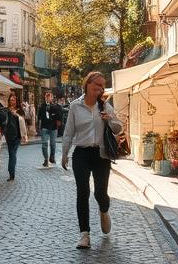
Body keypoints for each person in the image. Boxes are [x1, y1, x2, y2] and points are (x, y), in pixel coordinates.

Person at [61, 71, 122, 249]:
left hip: (101, 155)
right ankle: (84, 234)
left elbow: (118, 129)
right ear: (88, 85)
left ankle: (104, 211)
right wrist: (65, 154)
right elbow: (69, 132)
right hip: (81, 154)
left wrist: (109, 119)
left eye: (102, 86)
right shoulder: (75, 106)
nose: (100, 89)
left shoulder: (105, 106)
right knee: (83, 192)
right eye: (97, 85)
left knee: (100, 193)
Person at [3, 92, 28, 181]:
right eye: (10, 100)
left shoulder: (19, 110)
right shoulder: (6, 110)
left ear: (16, 101)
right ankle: (11, 173)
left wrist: (16, 114)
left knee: (13, 154)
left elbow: (23, 122)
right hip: (8, 135)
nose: (12, 102)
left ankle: (11, 173)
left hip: (17, 136)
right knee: (11, 154)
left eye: (13, 100)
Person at [36, 90, 63, 167]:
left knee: (52, 144)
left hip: (53, 127)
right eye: (46, 96)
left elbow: (59, 115)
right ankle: (46, 159)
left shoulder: (56, 106)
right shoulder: (42, 106)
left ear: (52, 97)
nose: (48, 97)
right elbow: (39, 117)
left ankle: (52, 157)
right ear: (45, 97)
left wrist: (53, 106)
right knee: (44, 144)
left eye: (50, 96)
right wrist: (38, 127)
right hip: (44, 127)